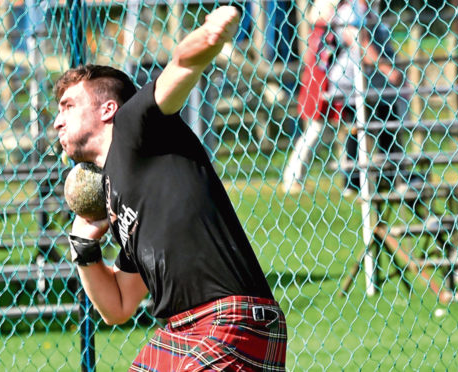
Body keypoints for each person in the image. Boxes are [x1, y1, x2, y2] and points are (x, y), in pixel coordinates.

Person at [52, 6, 286, 371]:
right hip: (181, 331)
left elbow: (182, 66)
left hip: (231, 319)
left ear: (108, 109)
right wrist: (84, 248)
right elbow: (118, 305)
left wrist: (211, 36)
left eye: (68, 106)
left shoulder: (136, 126)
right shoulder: (117, 195)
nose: (57, 121)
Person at [283, 0, 405, 195]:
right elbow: (360, 43)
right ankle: (370, 177)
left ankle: (363, 178)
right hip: (346, 81)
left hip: (351, 81)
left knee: (353, 126)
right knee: (332, 128)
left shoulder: (363, 10)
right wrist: (387, 69)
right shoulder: (351, 10)